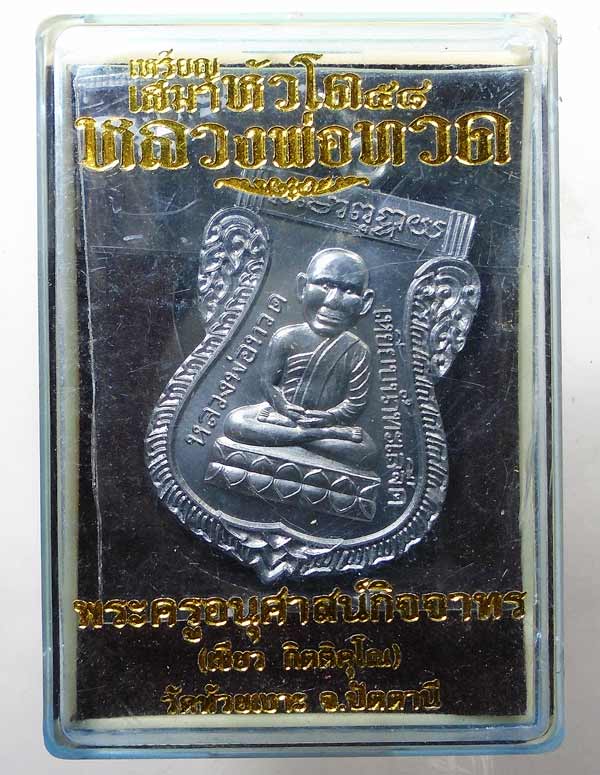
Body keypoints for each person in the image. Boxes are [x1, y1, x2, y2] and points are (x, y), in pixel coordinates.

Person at [223, 247, 377, 467]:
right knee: (236, 422)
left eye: (350, 290)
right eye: (325, 285)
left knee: (368, 452)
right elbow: (269, 383)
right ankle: (311, 437)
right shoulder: (286, 337)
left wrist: (330, 417)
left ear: (366, 301)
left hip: (322, 423)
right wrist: (284, 407)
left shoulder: (358, 350)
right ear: (302, 287)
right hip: (281, 416)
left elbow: (355, 402)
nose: (333, 300)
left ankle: (300, 436)